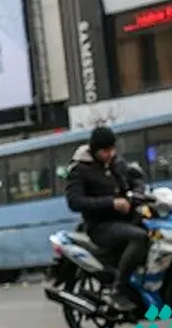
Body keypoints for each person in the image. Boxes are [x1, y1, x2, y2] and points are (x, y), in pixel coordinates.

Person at [64, 126, 149, 311]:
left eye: (112, 149)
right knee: (139, 237)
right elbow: (75, 201)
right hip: (100, 227)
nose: (111, 154)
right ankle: (119, 290)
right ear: (95, 150)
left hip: (126, 220)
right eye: (106, 150)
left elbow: (136, 179)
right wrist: (111, 203)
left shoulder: (116, 163)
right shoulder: (79, 169)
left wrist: (137, 193)